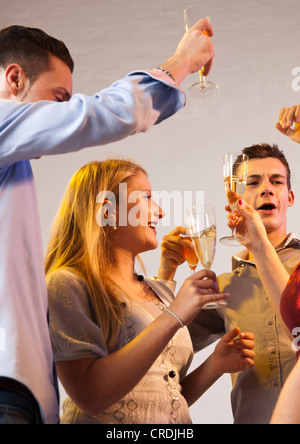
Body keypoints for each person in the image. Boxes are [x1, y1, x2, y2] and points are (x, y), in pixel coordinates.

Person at [0, 21, 215, 424]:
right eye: (59, 98)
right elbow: (97, 115)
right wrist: (181, 63)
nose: (64, 113)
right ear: (14, 78)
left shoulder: (14, 165)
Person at [45, 158, 255, 424]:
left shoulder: (155, 290)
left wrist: (215, 364)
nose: (160, 212)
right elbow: (91, 396)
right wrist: (174, 315)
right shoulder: (67, 283)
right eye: (146, 197)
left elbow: (162, 398)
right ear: (107, 210)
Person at [159, 143, 300, 424]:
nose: (266, 189)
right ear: (235, 195)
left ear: (289, 197)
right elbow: (159, 361)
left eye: (276, 181)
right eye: (253, 182)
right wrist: (166, 274)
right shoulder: (220, 289)